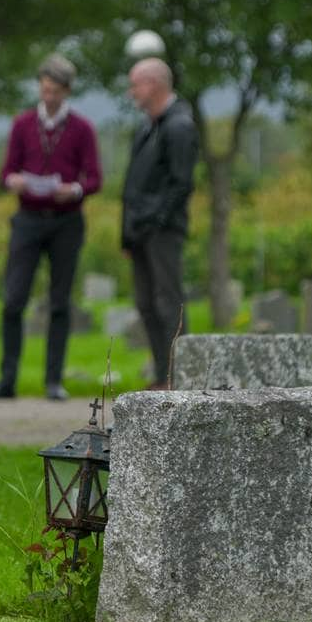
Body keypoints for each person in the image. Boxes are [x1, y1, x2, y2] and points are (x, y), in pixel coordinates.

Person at [0, 53, 102, 401]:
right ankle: (7, 379)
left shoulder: (82, 129)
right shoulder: (22, 125)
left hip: (66, 221)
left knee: (60, 302)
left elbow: (94, 178)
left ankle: (53, 380)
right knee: (13, 300)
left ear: (66, 92)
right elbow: (6, 172)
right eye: (44, 89)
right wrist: (14, 181)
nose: (48, 97)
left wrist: (73, 190)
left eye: (55, 92)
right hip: (28, 219)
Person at [121, 57, 198, 390]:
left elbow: (181, 183)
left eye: (135, 84)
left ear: (153, 84)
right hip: (140, 231)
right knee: (146, 303)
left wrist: (156, 220)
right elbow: (134, 184)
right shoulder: (147, 126)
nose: (132, 91)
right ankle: (160, 375)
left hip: (161, 231)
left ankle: (180, 378)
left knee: (168, 302)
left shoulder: (178, 125)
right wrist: (128, 234)